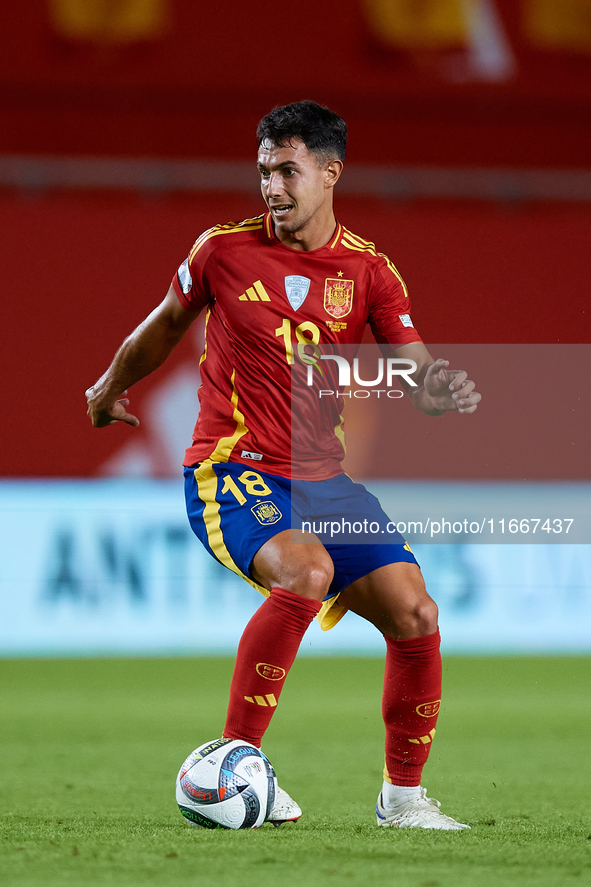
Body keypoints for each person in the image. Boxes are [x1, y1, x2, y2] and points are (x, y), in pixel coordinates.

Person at [86, 100, 481, 830]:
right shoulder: (221, 251)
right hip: (232, 468)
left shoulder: (368, 271)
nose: (271, 186)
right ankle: (234, 764)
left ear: (330, 173)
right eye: (264, 169)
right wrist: (112, 384)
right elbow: (163, 326)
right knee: (305, 570)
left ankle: (402, 799)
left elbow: (417, 375)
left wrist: (440, 389)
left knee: (416, 611)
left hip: (322, 478)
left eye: (287, 170)